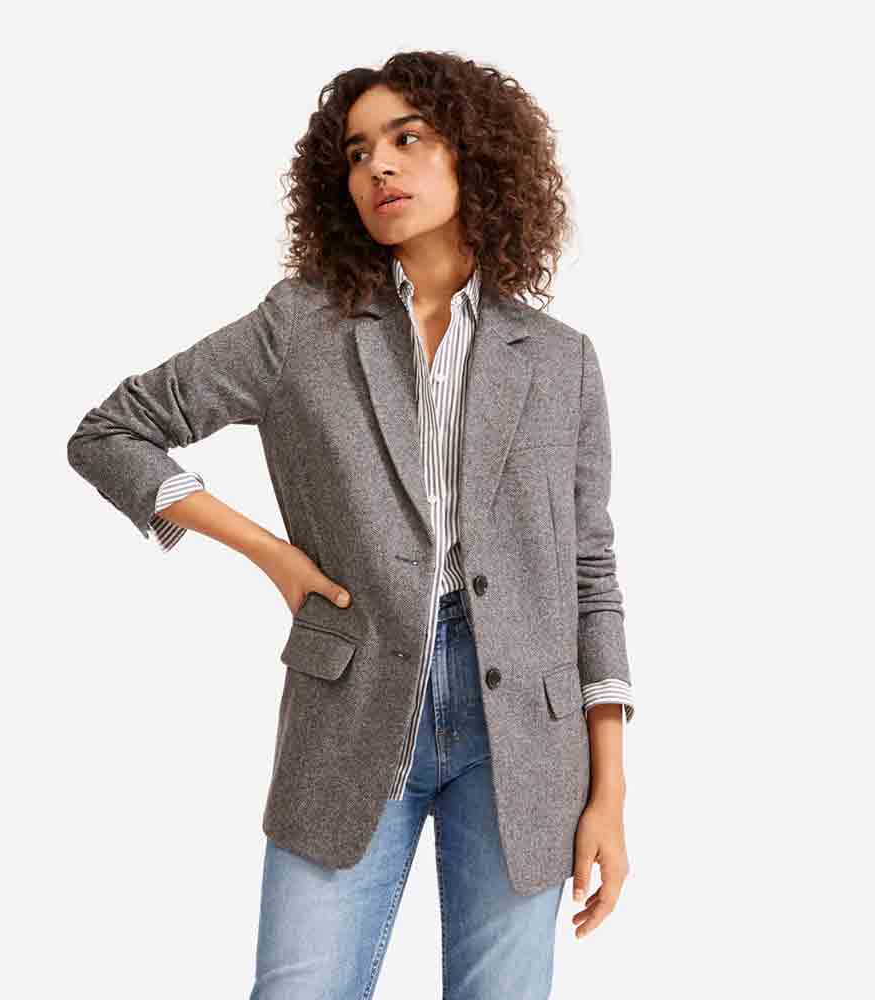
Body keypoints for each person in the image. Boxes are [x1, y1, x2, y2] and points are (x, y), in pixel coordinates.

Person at [68, 50, 634, 1000]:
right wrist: (273, 556)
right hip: (351, 697)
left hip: (526, 739)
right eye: (359, 151)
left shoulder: (559, 359)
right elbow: (111, 432)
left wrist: (609, 793)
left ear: (475, 154)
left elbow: (591, 573)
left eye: (407, 138)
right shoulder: (302, 326)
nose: (380, 166)